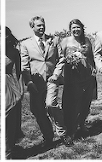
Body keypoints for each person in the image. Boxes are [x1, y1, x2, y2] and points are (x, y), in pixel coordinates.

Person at [20, 16, 63, 146]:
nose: (41, 27)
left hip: (52, 79)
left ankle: (63, 132)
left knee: (50, 104)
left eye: (43, 24)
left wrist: (56, 74)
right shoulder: (25, 44)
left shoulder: (54, 40)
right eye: (38, 25)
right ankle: (48, 136)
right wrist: (29, 82)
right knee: (37, 110)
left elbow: (61, 59)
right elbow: (24, 65)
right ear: (32, 27)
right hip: (36, 82)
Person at [53, 19, 96, 147]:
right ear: (70, 29)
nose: (76, 29)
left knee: (85, 102)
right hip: (72, 77)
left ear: (82, 28)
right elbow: (59, 58)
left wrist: (93, 67)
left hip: (87, 76)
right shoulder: (65, 41)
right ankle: (70, 129)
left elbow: (91, 56)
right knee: (72, 104)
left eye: (78, 27)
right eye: (73, 28)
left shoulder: (87, 40)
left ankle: (81, 124)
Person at [5, 27, 25, 158]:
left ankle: (8, 148)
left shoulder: (14, 52)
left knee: (11, 115)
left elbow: (19, 72)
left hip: (9, 85)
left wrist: (21, 90)